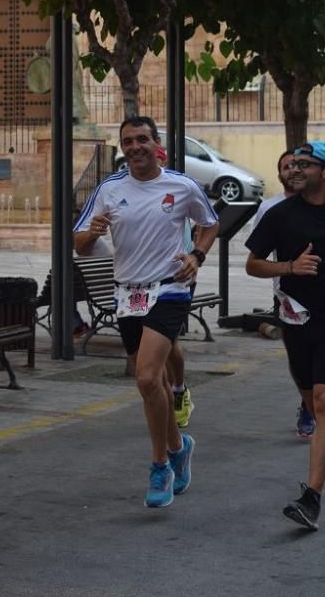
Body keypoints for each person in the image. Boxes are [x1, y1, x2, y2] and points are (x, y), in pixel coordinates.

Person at [74, 115, 218, 508]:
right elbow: (80, 242)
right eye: (127, 141)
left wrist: (197, 255)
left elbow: (210, 224)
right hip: (128, 295)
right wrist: (93, 233)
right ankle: (178, 446)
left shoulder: (182, 186)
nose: (135, 146)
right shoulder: (109, 188)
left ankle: (159, 466)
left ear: (157, 144)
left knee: (146, 377)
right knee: (149, 384)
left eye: (142, 139)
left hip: (170, 289)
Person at [246, 141, 325, 531]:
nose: (295, 170)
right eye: (293, 164)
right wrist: (289, 266)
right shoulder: (281, 215)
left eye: (305, 164)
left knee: (323, 402)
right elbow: (253, 264)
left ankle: (312, 498)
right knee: (314, 402)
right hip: (295, 318)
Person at [251, 150, 316, 437]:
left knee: (322, 352)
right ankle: (308, 400)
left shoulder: (322, 205)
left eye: (298, 164)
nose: (292, 170)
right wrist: (288, 268)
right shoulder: (269, 209)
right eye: (286, 166)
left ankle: (316, 405)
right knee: (298, 355)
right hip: (287, 295)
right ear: (280, 175)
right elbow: (257, 258)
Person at [154, 144, 195, 429]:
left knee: (170, 342)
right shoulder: (129, 191)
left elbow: (209, 222)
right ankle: (163, 396)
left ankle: (178, 389)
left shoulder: (177, 189)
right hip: (139, 282)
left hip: (176, 279)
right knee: (158, 348)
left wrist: (195, 256)